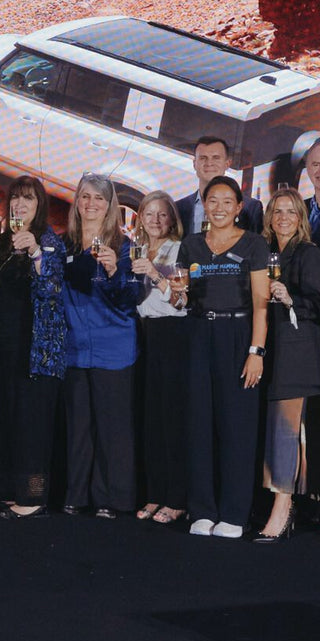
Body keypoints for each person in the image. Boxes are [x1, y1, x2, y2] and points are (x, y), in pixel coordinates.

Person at [178, 177, 269, 538]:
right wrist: (176, 294)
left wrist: (256, 352)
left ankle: (233, 513)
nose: (218, 208)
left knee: (237, 426)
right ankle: (202, 509)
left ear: (238, 207)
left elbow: (261, 304)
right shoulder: (192, 246)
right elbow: (184, 298)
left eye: (226, 201)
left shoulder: (254, 244)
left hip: (239, 336)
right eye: (212, 200)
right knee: (199, 423)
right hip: (199, 334)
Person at [60, 174, 141, 519]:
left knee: (112, 429)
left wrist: (113, 275)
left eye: (99, 199)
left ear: (110, 207)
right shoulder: (63, 244)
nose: (90, 204)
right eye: (85, 197)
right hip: (75, 349)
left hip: (114, 348)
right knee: (78, 427)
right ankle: (76, 495)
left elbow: (132, 297)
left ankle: (112, 499)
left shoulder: (124, 247)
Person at [0, 176, 66, 519]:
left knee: (32, 426)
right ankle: (8, 490)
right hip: (4, 350)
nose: (20, 205)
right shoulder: (3, 242)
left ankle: (32, 498)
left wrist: (34, 251)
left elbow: (52, 287)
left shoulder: (49, 242)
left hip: (37, 353)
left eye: (28, 200)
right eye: (16, 199)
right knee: (8, 421)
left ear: (40, 206)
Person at [258, 189, 320, 542]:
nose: (283, 217)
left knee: (287, 434)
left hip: (298, 358)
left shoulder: (309, 254)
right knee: (273, 432)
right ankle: (278, 503)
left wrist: (290, 299)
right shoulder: (264, 253)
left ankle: (283, 510)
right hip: (270, 355)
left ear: (301, 217)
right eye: (277, 211)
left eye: (291, 211)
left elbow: (318, 304)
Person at [129, 190, 187, 525]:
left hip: (171, 335)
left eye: (162, 214)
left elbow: (182, 302)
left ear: (172, 219)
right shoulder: (135, 249)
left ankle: (176, 497)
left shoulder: (178, 250)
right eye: (149, 214)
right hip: (143, 334)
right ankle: (153, 493)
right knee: (149, 419)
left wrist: (153, 273)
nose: (155, 220)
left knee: (171, 419)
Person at [174, 136, 263, 236]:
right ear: (194, 164)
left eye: (216, 158)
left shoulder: (251, 208)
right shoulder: (177, 208)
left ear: (227, 163)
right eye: (203, 158)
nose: (209, 163)